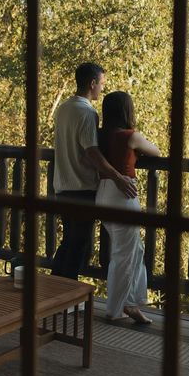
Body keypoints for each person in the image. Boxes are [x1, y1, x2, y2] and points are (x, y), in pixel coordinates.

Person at [51, 63, 137, 280]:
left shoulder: (64, 108)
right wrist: (118, 178)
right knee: (79, 245)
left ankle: (52, 289)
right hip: (82, 187)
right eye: (101, 83)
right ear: (92, 83)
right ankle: (67, 297)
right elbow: (92, 152)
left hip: (62, 185)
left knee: (69, 242)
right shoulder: (87, 113)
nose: (102, 88)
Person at [96, 91, 160, 323]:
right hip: (123, 195)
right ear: (127, 111)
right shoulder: (130, 136)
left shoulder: (100, 136)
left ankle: (131, 303)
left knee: (133, 250)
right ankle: (116, 309)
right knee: (124, 254)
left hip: (103, 193)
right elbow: (157, 151)